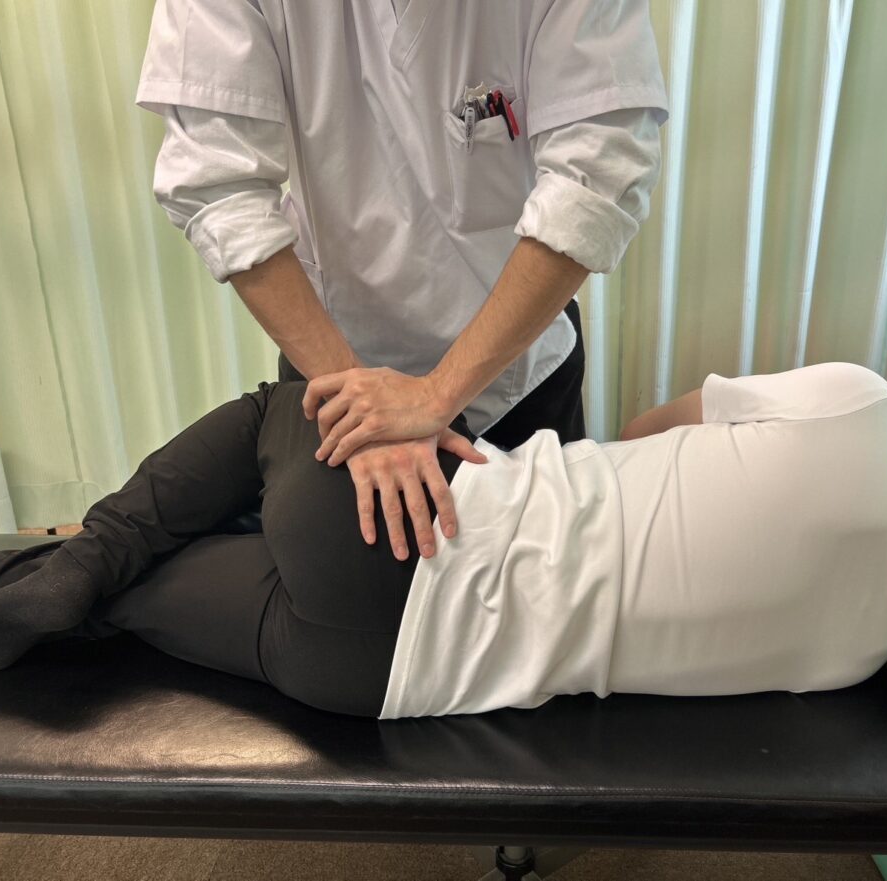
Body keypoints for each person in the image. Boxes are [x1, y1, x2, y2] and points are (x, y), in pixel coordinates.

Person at [0, 361, 887, 720]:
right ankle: (76, 574)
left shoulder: (860, 403)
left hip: (408, 521)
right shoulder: (867, 646)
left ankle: (87, 551)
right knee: (131, 596)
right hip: (384, 674)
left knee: (282, 407)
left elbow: (643, 430)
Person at [136, 0, 669, 558]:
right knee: (344, 585)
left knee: (539, 584)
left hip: (517, 374)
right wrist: (361, 407)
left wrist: (436, 395)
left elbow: (597, 173)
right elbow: (218, 180)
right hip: (333, 365)